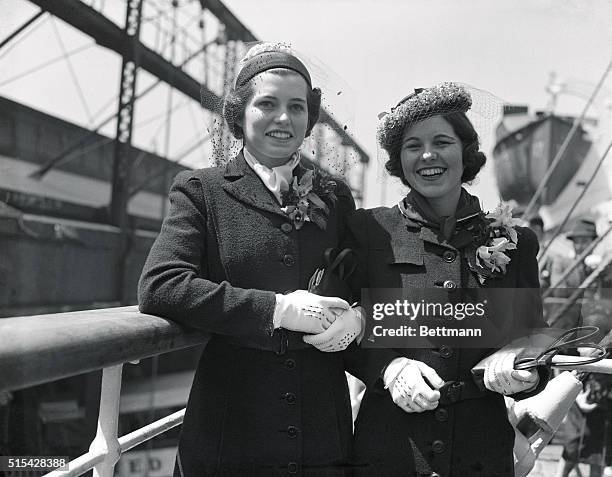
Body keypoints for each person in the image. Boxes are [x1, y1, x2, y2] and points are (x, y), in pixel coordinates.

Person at [138, 43, 362, 477]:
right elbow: (161, 285)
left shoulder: (334, 197)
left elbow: (361, 280)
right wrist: (277, 310)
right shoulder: (202, 190)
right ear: (239, 114)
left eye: (297, 107)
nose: (284, 118)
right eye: (268, 104)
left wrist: (358, 317)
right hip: (233, 433)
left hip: (321, 434)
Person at [345, 83, 547, 477]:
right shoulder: (369, 231)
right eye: (412, 146)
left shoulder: (517, 243)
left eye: (442, 141)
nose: (427, 156)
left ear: (465, 151)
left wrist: (524, 370)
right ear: (398, 160)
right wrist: (387, 368)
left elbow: (534, 341)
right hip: (390, 452)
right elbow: (338, 330)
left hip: (481, 452)